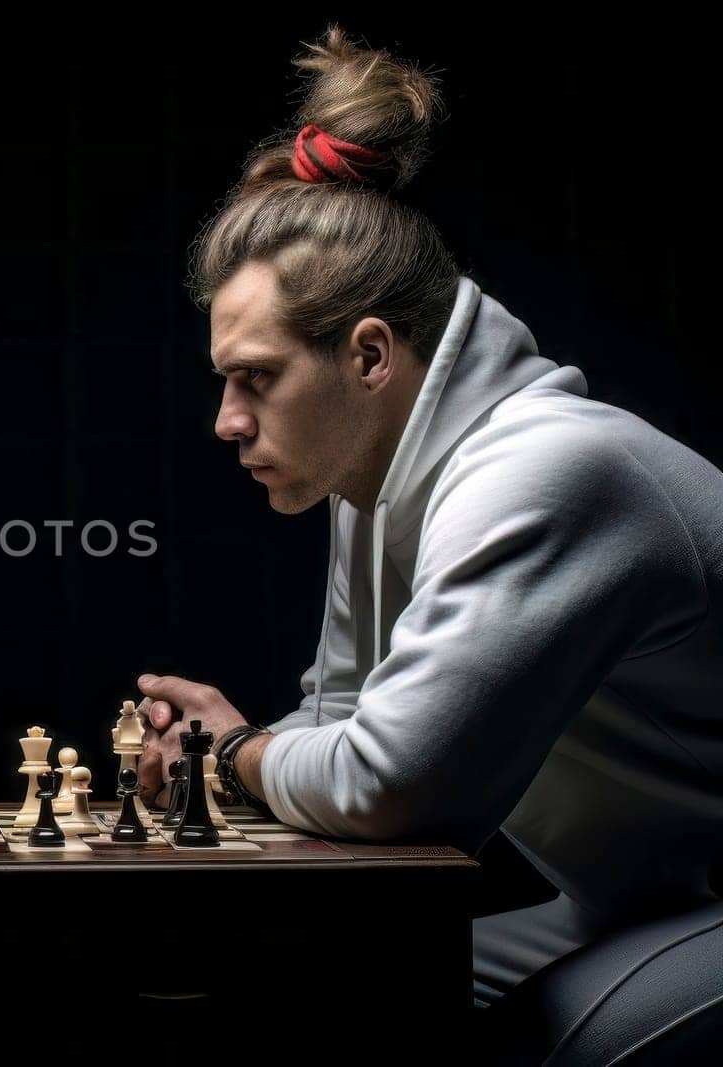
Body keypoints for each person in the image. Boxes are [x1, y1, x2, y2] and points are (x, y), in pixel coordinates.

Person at [133, 27, 723, 1061]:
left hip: (698, 906)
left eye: (256, 376)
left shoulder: (546, 472)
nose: (225, 419)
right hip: (643, 902)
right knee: (314, 1000)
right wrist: (247, 751)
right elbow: (341, 718)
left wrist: (233, 752)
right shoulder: (374, 477)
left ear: (369, 353)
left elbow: (391, 784)